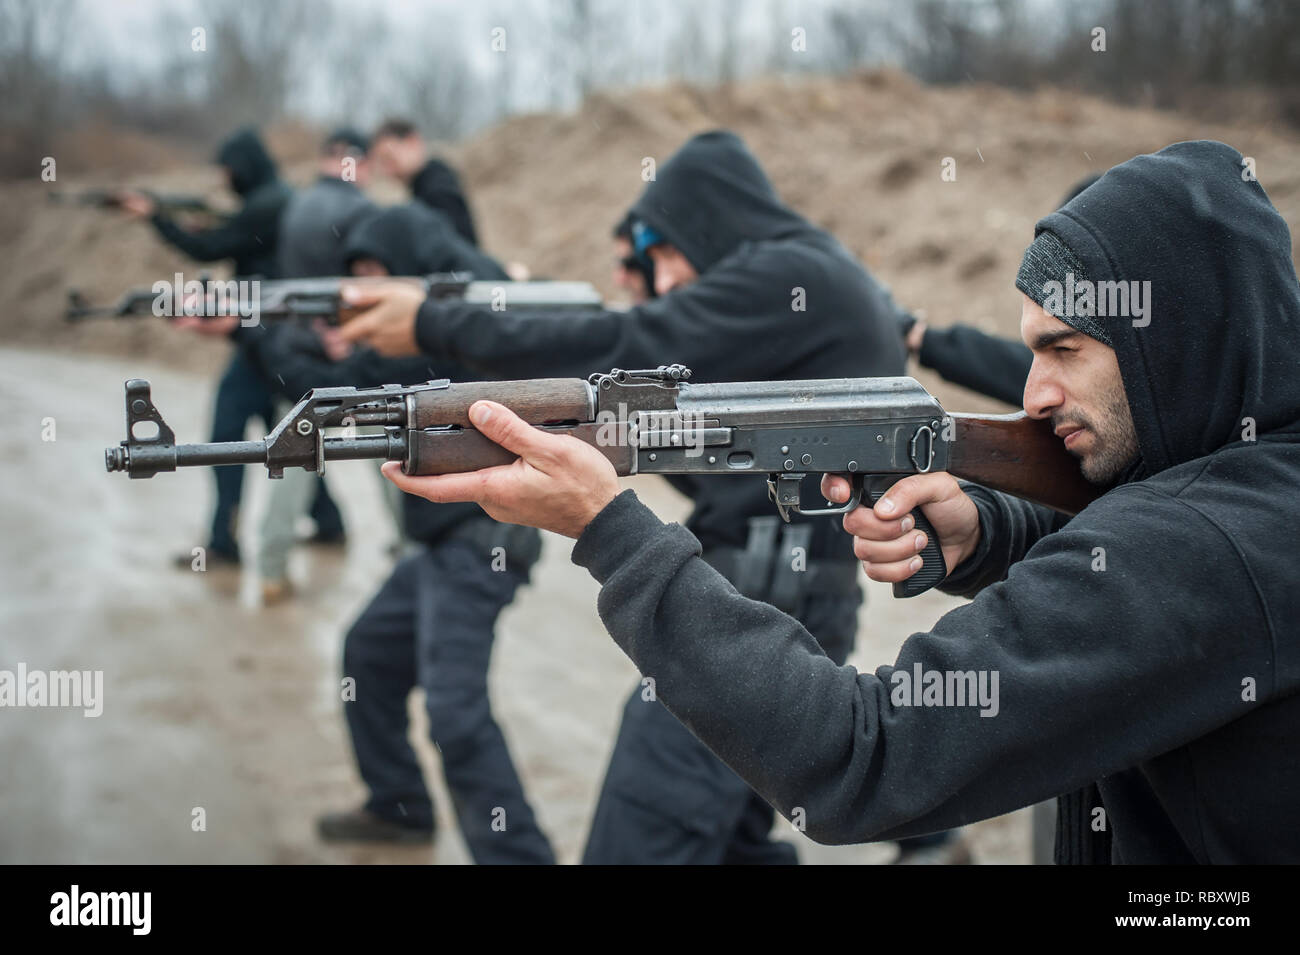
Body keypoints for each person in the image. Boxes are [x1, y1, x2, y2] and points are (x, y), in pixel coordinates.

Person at [381, 140, 1300, 863]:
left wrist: (609, 531)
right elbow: (1147, 593)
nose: (1033, 395)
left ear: (1171, 344)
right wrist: (990, 533)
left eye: (1065, 351)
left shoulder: (1202, 547)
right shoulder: (1247, 495)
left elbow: (862, 758)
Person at [340, 130, 972, 864]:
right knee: (729, 842)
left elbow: (620, 342)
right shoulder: (809, 283)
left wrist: (431, 320)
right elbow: (688, 432)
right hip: (775, 597)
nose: (667, 279)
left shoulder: (791, 272)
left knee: (640, 841)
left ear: (708, 220)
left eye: (664, 252)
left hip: (758, 605)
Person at [242, 202, 552, 862]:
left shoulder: (471, 326)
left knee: (455, 711)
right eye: (358, 275)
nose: (368, 289)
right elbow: (324, 396)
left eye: (381, 272)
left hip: (484, 541)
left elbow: (488, 287)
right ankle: (399, 805)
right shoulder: (395, 348)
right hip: (441, 545)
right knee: (370, 656)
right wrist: (252, 330)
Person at [120, 127, 298, 568]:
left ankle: (223, 543)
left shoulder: (263, 205)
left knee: (229, 433)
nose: (223, 178)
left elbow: (206, 247)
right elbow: (233, 240)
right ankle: (328, 525)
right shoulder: (276, 198)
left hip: (259, 335)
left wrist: (154, 216)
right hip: (270, 336)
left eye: (227, 169)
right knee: (289, 431)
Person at [255, 127, 378, 603]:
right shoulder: (360, 210)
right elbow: (364, 288)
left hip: (296, 349)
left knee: (295, 457)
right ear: (355, 162)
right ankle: (413, 551)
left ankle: (270, 568)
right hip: (346, 352)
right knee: (392, 449)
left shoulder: (298, 203)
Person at [368, 118, 480, 246]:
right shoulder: (427, 184)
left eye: (389, 158)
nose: (387, 171)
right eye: (382, 163)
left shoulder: (438, 190)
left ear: (412, 141)